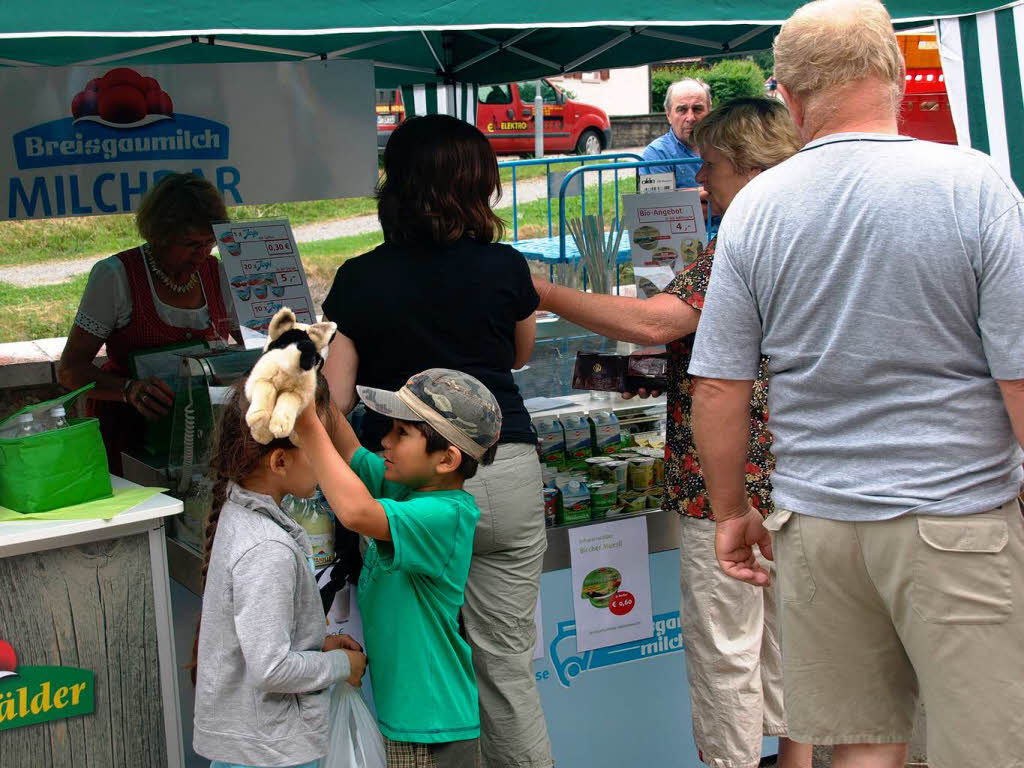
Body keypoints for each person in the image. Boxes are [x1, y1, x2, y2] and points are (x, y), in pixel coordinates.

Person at [688, 2, 1024, 767]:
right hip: (956, 515)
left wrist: (731, 511)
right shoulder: (972, 185)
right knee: (987, 746)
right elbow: (1020, 376)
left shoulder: (756, 209)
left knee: (860, 748)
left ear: (790, 95)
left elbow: (718, 387)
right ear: (896, 77)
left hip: (820, 524)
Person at [532, 98, 811, 768]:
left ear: (747, 167)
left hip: (724, 492)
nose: (700, 181)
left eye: (710, 165)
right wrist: (611, 372)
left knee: (727, 656)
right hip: (803, 479)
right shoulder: (812, 237)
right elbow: (715, 349)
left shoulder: (737, 248)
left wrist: (542, 290)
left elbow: (660, 324)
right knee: (791, 651)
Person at [320, 115, 552, 768]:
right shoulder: (506, 267)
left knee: (417, 661)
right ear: (479, 188)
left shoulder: (360, 279)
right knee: (505, 665)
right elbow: (518, 354)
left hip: (406, 487)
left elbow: (336, 400)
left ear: (395, 188)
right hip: (503, 467)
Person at [294, 368, 502, 768]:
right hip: (408, 718)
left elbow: (355, 512)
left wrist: (306, 425)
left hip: (431, 727)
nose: (385, 441)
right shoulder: (407, 489)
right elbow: (351, 450)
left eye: (402, 434)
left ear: (447, 459)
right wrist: (313, 384)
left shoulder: (445, 515)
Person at [191, 377, 367, 768]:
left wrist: (316, 645)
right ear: (280, 461)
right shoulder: (266, 549)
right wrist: (342, 666)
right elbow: (272, 669)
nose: (328, 460)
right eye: (317, 448)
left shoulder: (239, 515)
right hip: (269, 749)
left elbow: (260, 641)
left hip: (252, 742)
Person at [57, 172, 233, 474]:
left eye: (209, 242)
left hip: (203, 436)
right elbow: (70, 370)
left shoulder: (218, 273)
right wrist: (130, 389)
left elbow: (251, 344)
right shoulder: (116, 276)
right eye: (190, 243)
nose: (202, 254)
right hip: (129, 436)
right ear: (159, 235)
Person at [642, 79, 712, 190]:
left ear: (709, 112)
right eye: (682, 110)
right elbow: (663, 204)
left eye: (697, 109)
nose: (691, 118)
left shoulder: (724, 147)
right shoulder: (657, 153)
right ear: (668, 115)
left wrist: (682, 195)